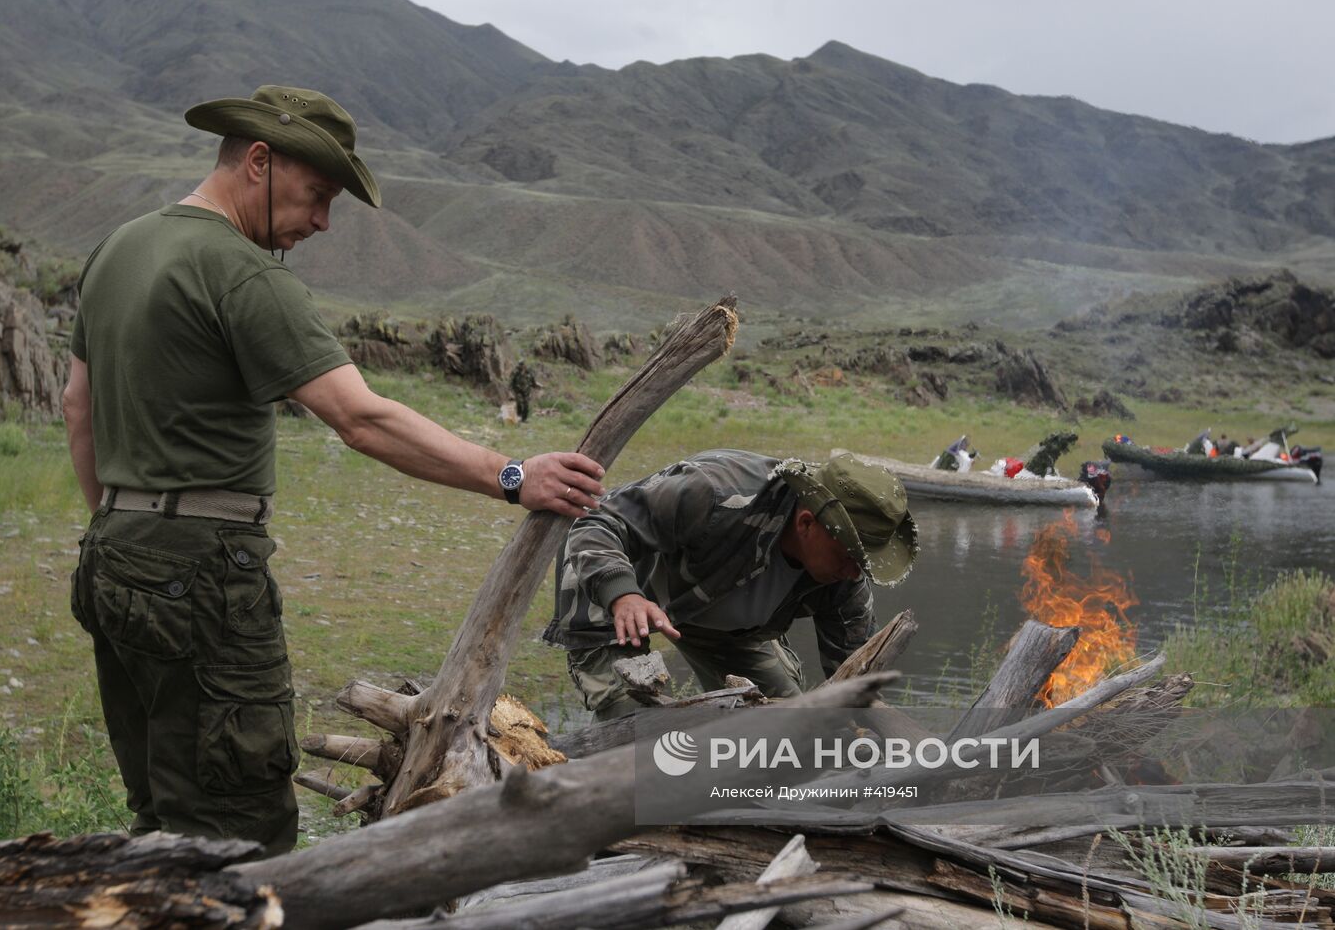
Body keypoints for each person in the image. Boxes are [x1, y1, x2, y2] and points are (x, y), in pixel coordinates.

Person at [61, 86, 605, 856]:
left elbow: (77, 407)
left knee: (160, 811)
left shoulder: (119, 247)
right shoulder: (242, 272)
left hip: (111, 553)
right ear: (259, 161)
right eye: (316, 196)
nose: (320, 222)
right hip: (204, 573)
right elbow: (361, 416)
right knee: (239, 831)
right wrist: (511, 475)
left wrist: (122, 528)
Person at [543, 450, 918, 721]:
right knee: (635, 728)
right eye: (849, 556)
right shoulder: (715, 493)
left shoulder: (845, 579)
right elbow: (598, 523)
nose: (855, 572)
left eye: (864, 563)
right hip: (615, 588)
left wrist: (869, 730)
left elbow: (854, 680)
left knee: (782, 726)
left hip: (722, 619)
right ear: (806, 524)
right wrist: (622, 594)